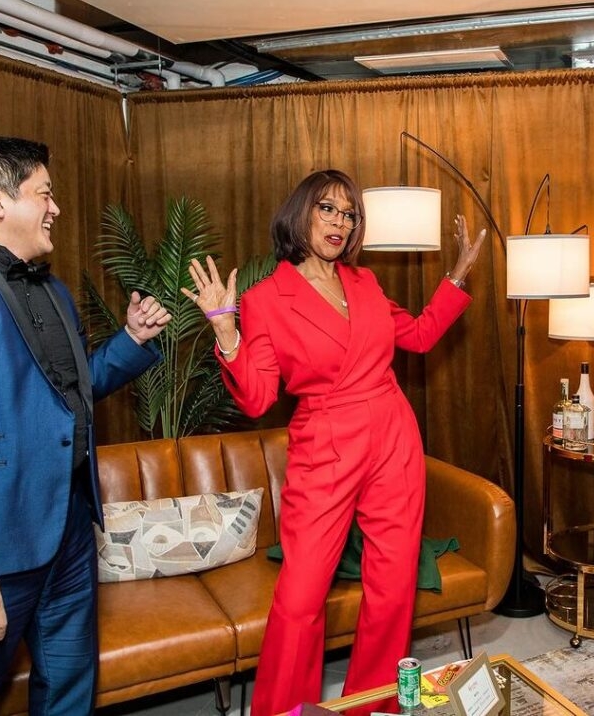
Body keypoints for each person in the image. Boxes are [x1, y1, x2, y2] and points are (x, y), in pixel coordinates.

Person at [184, 169, 486, 715]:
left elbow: (416, 335)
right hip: (324, 446)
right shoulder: (264, 299)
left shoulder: (365, 283)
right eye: (327, 209)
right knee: (300, 598)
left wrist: (458, 276)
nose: (339, 222)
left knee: (393, 591)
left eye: (348, 214)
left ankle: (370, 706)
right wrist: (226, 331)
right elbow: (256, 398)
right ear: (300, 213)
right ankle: (283, 710)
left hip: (393, 437)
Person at [0, 135, 172, 714]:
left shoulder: (53, 289)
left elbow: (67, 397)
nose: (55, 208)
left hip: (71, 533)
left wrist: (131, 342)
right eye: (43, 194)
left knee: (70, 695)